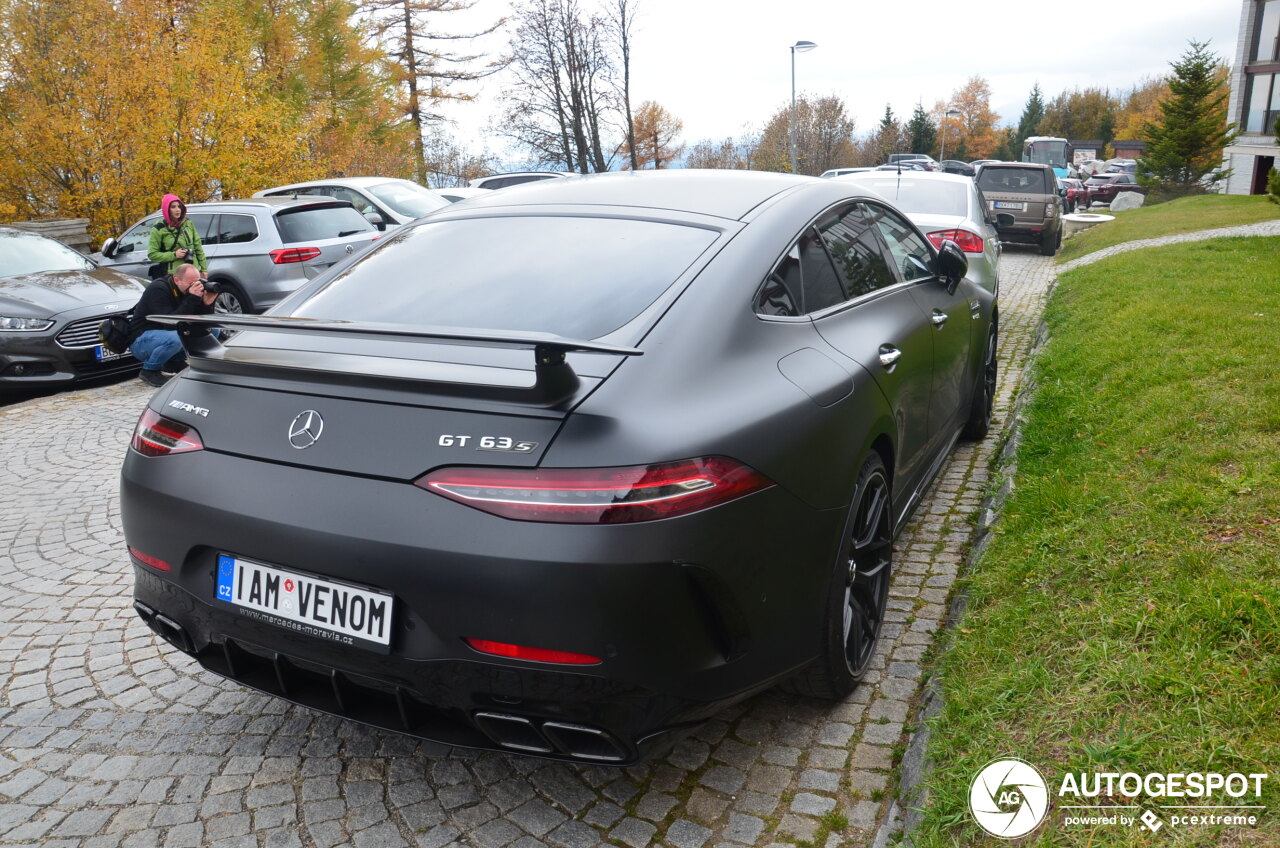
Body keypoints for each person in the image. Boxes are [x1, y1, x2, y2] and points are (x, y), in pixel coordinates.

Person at [130, 264, 217, 387]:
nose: (196, 286)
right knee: (177, 337)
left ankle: (174, 362)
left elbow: (202, 322)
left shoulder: (189, 291)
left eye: (198, 281)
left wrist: (207, 304)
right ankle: (149, 370)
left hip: (166, 336)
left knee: (212, 331)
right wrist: (191, 298)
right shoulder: (158, 289)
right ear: (177, 280)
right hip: (142, 340)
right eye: (191, 283)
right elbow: (170, 324)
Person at [147, 193, 207, 279]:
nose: (177, 209)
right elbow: (152, 254)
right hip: (175, 275)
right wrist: (174, 255)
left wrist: (204, 269)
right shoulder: (159, 228)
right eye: (173, 207)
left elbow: (198, 247)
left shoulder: (188, 223)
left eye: (179, 206)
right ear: (167, 209)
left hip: (194, 272)